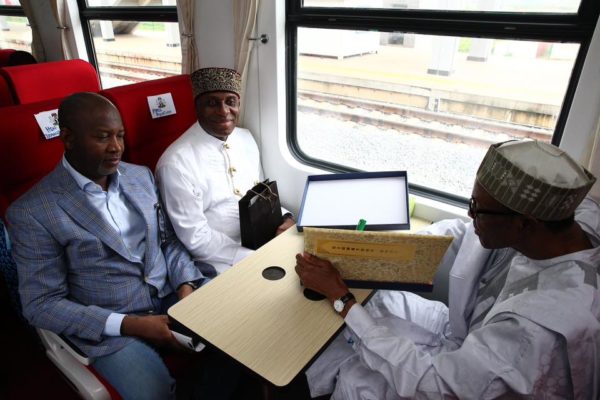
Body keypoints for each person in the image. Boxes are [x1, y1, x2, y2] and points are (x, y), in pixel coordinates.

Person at [295, 139, 600, 399]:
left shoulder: (534, 330)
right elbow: (463, 233)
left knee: (355, 377)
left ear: (523, 224)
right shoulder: (572, 221)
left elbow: (436, 386)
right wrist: (374, 248)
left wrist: (343, 300)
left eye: (477, 210)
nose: (470, 214)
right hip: (467, 336)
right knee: (377, 301)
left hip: (453, 382)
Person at [6, 92, 237, 400]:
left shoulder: (139, 176)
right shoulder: (33, 212)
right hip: (109, 324)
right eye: (103, 137)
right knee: (153, 392)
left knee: (238, 339)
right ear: (68, 138)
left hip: (169, 292)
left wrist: (186, 288)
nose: (116, 147)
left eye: (120, 136)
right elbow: (41, 304)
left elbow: (168, 242)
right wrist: (131, 325)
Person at [155, 67, 295, 273]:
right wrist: (251, 258)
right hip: (218, 259)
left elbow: (263, 195)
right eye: (212, 103)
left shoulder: (245, 137)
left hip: (263, 237)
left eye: (230, 101)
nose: (223, 111)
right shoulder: (175, 163)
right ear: (197, 107)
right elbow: (196, 238)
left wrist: (285, 218)